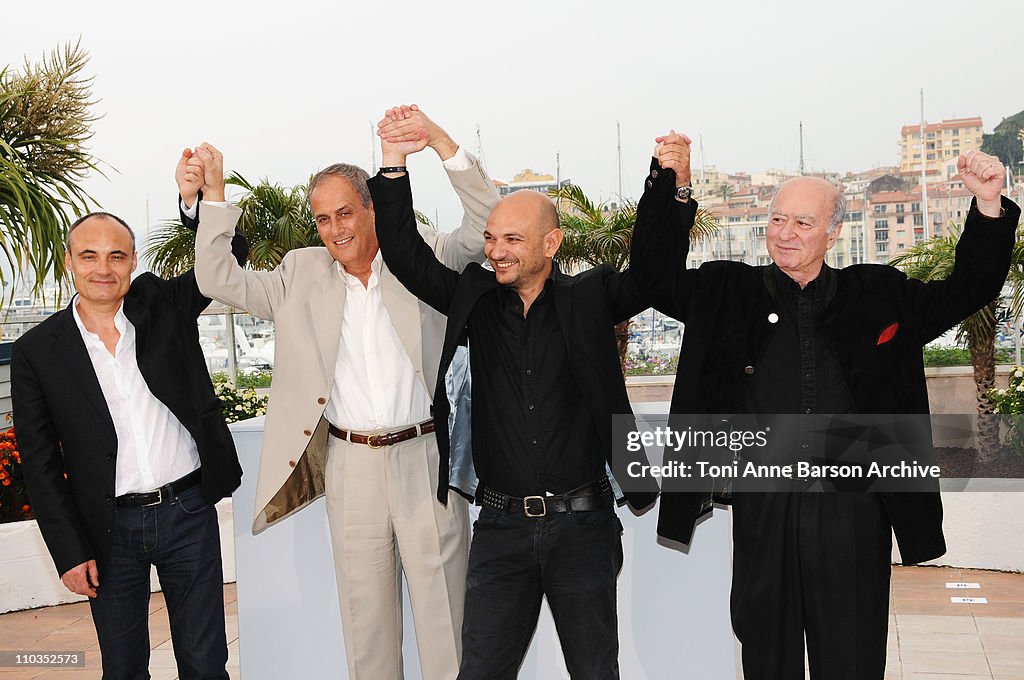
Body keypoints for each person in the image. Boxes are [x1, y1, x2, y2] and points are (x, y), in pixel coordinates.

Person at [630, 132, 1020, 679]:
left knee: (853, 655)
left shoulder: (879, 295)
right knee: (767, 654)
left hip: (854, 510)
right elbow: (652, 277)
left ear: (834, 232)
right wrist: (675, 187)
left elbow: (967, 288)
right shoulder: (727, 293)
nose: (786, 234)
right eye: (778, 220)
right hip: (763, 506)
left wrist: (987, 204)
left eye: (804, 223)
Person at [184, 106, 499, 680]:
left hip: (428, 460)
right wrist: (212, 195)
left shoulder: (423, 252)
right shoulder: (299, 273)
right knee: (366, 627)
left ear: (373, 209)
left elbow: (487, 223)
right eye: (323, 219)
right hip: (350, 466)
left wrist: (442, 145)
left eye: (346, 213)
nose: (336, 230)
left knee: (447, 623)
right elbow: (218, 279)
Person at [370, 118, 658, 680]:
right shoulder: (476, 302)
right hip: (500, 532)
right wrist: (394, 162)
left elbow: (650, 274)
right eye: (491, 238)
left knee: (596, 672)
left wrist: (669, 184)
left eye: (512, 239)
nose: (496, 251)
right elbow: (404, 254)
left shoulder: (589, 298)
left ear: (551, 245)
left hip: (584, 528)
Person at [10, 151, 248, 679]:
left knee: (206, 662)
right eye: (89, 256)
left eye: (117, 256)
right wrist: (69, 551)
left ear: (134, 261)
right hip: (108, 527)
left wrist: (199, 200)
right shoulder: (36, 351)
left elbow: (230, 258)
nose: (103, 268)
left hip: (188, 512)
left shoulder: (162, 304)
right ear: (70, 261)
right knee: (123, 667)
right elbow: (41, 464)